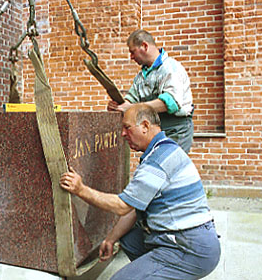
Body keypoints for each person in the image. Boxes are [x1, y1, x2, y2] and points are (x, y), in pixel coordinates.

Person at [60, 104, 220, 279]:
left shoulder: (158, 161)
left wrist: (80, 189)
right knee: (128, 236)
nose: (122, 133)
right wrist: (111, 239)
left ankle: (167, 271)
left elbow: (121, 207)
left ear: (145, 126)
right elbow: (134, 209)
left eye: (127, 127)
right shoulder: (164, 148)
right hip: (187, 239)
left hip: (189, 247)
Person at [108, 29, 194, 153]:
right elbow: (131, 99)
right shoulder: (141, 77)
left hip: (176, 129)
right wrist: (119, 106)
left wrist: (133, 108)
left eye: (133, 52)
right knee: (152, 166)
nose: (131, 57)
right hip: (155, 130)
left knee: (168, 166)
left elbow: (170, 103)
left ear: (144, 46)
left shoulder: (171, 68)